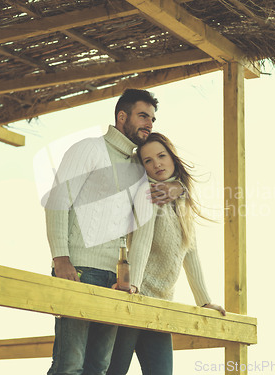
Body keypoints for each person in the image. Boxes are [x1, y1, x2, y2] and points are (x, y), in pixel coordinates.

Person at [45, 90, 184, 375]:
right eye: (143, 116)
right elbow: (58, 201)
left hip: (115, 280)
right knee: (69, 364)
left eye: (153, 119)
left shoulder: (139, 167)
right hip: (79, 270)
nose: (150, 124)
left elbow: (164, 189)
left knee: (99, 367)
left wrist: (178, 188)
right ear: (122, 117)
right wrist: (61, 258)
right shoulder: (89, 149)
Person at [107, 133, 226, 375]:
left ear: (173, 157)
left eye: (161, 156)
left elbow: (189, 252)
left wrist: (204, 301)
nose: (157, 164)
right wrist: (135, 287)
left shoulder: (182, 199)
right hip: (136, 299)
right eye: (148, 161)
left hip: (162, 306)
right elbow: (140, 242)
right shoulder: (148, 194)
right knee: (113, 372)